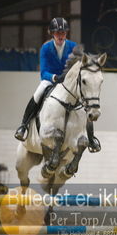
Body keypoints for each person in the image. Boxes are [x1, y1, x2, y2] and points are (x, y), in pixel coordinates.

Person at [14, 17, 101, 153]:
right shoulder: (46, 48)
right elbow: (43, 72)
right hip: (51, 79)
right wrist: (54, 77)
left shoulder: (73, 47)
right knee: (39, 92)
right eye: (57, 33)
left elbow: (82, 64)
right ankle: (23, 126)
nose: (60, 36)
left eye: (63, 33)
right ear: (52, 33)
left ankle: (91, 138)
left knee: (85, 103)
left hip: (69, 82)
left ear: (66, 33)